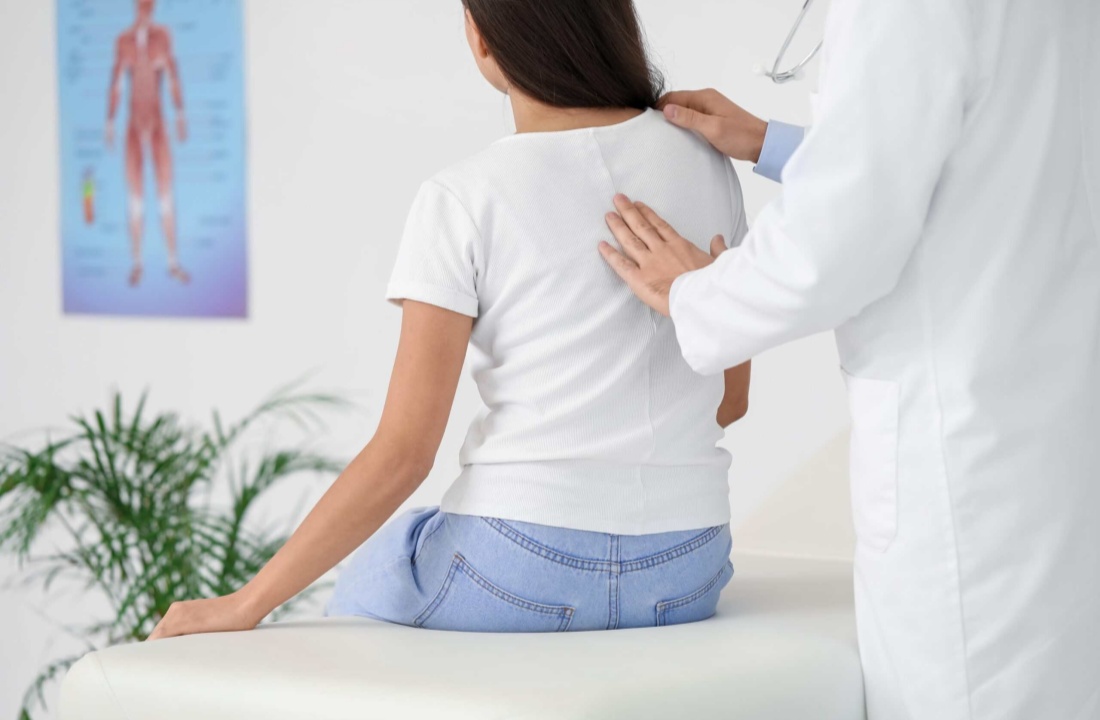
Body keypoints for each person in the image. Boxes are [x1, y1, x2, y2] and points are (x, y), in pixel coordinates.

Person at [147, 0, 752, 637]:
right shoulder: (708, 162)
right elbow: (729, 401)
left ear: (483, 38)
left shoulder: (464, 197)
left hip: (518, 563)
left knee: (376, 571)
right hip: (688, 566)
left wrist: (244, 604)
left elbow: (405, 454)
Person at [598, 1, 1100, 719]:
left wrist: (695, 293)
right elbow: (981, 158)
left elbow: (839, 247)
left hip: (965, 454)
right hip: (1055, 422)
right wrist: (778, 145)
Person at [106, 0, 190, 287]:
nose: (145, 11)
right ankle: (137, 263)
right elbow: (117, 83)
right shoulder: (123, 41)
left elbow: (172, 74)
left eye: (149, 7)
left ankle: (173, 262)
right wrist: (109, 121)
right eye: (142, 6)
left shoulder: (162, 36)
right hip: (133, 124)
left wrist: (180, 113)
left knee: (165, 194)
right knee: (136, 198)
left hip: (157, 123)